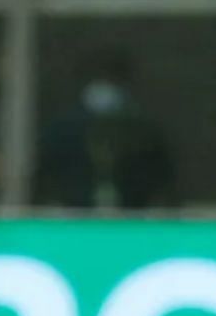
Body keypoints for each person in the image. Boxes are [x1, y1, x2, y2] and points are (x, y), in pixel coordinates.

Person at [37, 51, 178, 210]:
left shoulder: (146, 132)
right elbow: (44, 175)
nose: (105, 86)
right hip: (75, 216)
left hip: (131, 217)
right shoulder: (62, 131)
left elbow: (163, 178)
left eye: (111, 79)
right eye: (98, 79)